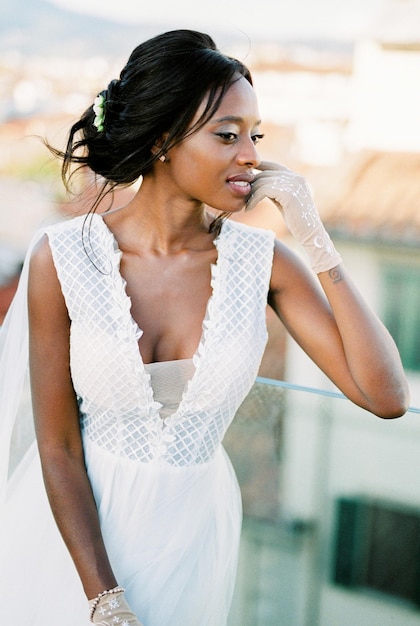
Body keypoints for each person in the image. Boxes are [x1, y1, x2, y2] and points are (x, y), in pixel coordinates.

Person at [0, 29, 409, 626]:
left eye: (256, 136)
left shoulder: (265, 263)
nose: (252, 155)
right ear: (164, 140)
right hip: (74, 545)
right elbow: (58, 447)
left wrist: (314, 235)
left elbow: (387, 396)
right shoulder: (61, 257)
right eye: (227, 135)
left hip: (191, 540)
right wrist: (105, 602)